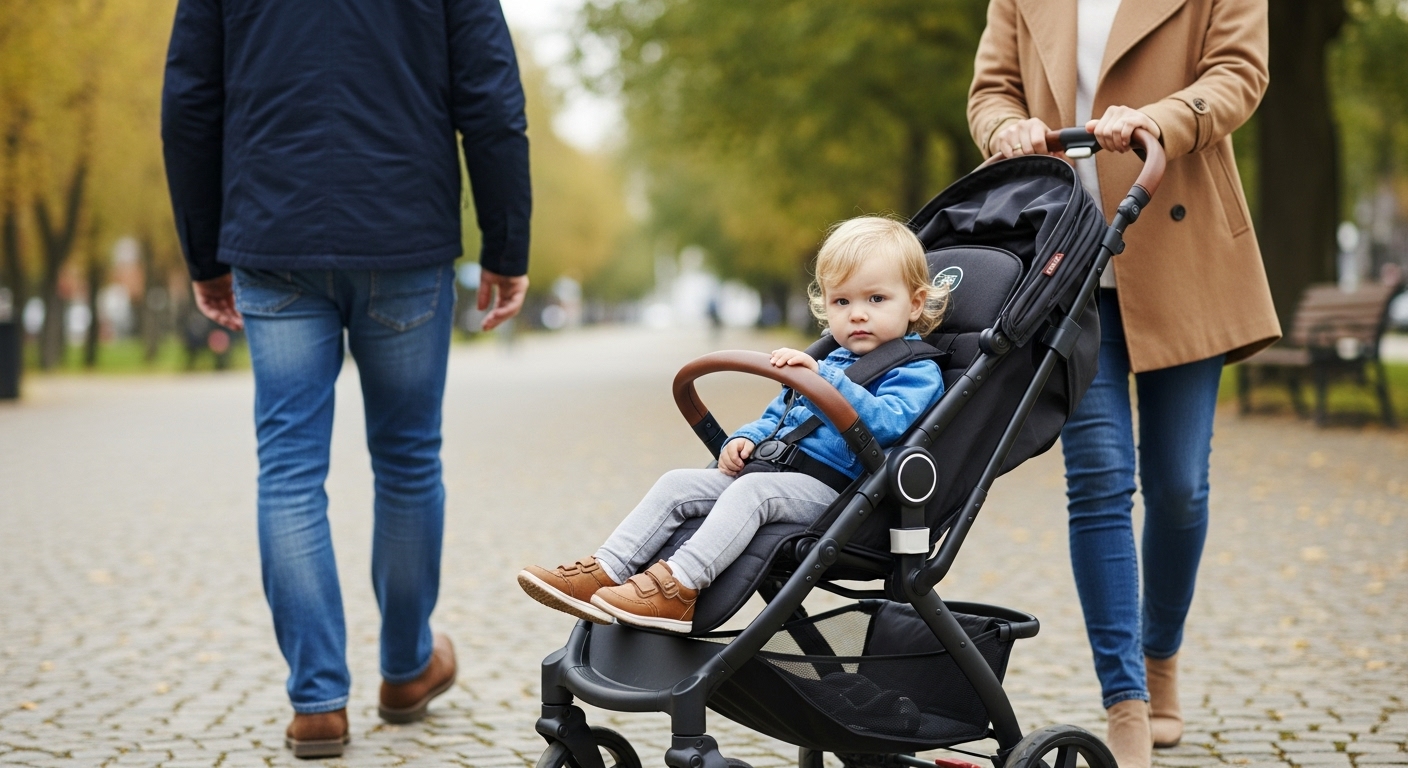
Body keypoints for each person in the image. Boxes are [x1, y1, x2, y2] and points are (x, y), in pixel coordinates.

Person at [161, 0, 531, 758]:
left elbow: (189, 102)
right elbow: (492, 99)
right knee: (407, 460)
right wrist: (506, 242)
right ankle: (405, 669)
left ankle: (317, 703)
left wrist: (205, 253)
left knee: (289, 471)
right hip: (404, 231)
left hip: (273, 234)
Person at [968, 2, 1280, 767]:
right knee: (1099, 480)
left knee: (1180, 487)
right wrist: (1005, 127)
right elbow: (992, 90)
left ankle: (1160, 654)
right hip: (1063, 256)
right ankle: (1127, 702)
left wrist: (1159, 119)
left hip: (1176, 235)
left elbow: (1240, 74)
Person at [517, 217, 946, 634]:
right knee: (675, 484)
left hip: (837, 492)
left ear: (913, 303)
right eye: (842, 302)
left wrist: (826, 380)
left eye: (875, 300)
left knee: (752, 493)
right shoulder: (830, 359)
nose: (857, 315)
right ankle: (606, 569)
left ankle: (679, 587)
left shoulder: (916, 369)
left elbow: (890, 424)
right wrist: (748, 437)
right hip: (778, 472)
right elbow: (780, 416)